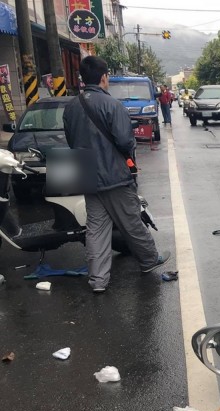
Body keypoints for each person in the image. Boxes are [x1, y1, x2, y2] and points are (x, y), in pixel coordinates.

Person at [63, 56, 170, 294]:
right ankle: (149, 260)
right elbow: (124, 141)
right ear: (103, 77)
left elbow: (71, 142)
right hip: (114, 176)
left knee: (96, 229)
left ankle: (98, 280)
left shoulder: (71, 107)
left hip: (88, 176)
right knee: (131, 222)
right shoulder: (112, 105)